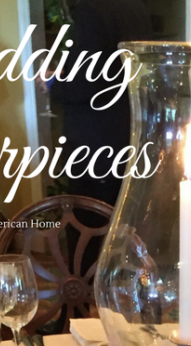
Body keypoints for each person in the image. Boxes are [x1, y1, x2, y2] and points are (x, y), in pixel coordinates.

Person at [48, 0, 153, 206]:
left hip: (94, 146)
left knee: (89, 227)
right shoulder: (137, 8)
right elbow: (111, 72)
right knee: (124, 221)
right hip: (129, 133)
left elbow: (84, 85)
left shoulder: (90, 9)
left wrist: (52, 82)